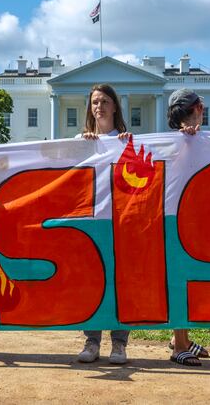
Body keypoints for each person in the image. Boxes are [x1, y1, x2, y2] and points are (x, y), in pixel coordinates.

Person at [75, 84, 131, 365]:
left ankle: (119, 344)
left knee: (121, 282)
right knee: (91, 282)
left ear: (115, 106)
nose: (99, 106)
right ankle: (92, 339)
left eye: (105, 101)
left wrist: (129, 145)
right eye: (95, 102)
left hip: (121, 220)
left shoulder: (127, 140)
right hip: (90, 219)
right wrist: (81, 147)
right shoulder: (80, 140)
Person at [164, 89, 210, 367]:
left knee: (189, 280)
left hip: (194, 217)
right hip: (179, 218)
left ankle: (180, 338)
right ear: (199, 108)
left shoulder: (199, 140)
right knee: (181, 279)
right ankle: (179, 345)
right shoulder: (181, 141)